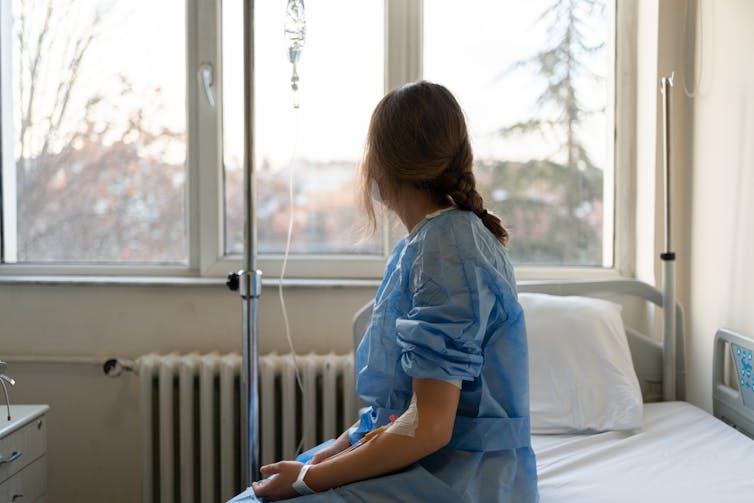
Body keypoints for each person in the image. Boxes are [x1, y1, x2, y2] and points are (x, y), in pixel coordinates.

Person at [230, 81, 538, 502]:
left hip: (460, 476)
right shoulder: (436, 241)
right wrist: (323, 460)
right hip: (422, 455)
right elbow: (398, 411)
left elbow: (428, 427)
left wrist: (307, 480)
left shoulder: (448, 248)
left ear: (379, 163)